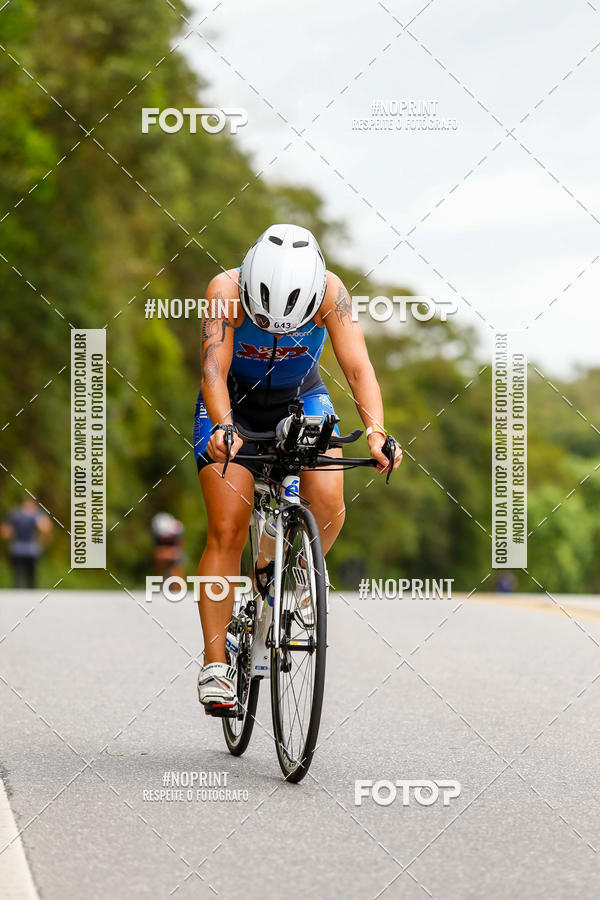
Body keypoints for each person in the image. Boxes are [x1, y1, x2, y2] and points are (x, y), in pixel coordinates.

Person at [193, 223, 402, 713]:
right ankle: (216, 665)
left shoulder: (330, 290)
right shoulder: (224, 289)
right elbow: (212, 371)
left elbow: (357, 368)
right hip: (233, 404)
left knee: (328, 504)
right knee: (227, 527)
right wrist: (224, 427)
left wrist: (375, 432)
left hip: (300, 398)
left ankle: (291, 576)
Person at [1, 498, 52, 588]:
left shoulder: (17, 514)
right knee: (22, 575)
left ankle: (25, 591)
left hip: (27, 549)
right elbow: (46, 529)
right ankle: (24, 591)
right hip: (22, 549)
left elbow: (5, 532)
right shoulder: (19, 514)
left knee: (27, 574)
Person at [151, 512, 185, 580]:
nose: (166, 539)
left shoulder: (177, 530)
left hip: (175, 557)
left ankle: (179, 586)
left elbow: (178, 552)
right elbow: (157, 553)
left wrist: (166, 553)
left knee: (176, 569)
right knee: (159, 562)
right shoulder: (156, 534)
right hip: (166, 557)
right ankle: (161, 582)